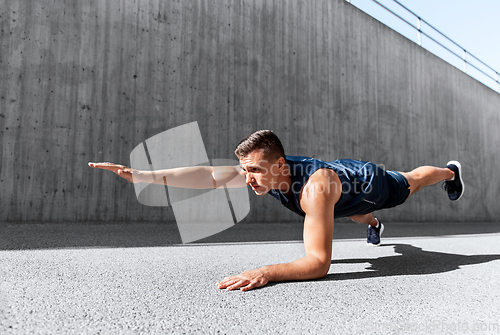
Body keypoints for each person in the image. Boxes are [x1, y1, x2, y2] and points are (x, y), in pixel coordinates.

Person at [88, 129, 464, 292]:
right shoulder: (267, 173)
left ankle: (450, 171)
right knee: (350, 216)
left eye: (253, 170)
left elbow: (318, 263)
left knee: (412, 179)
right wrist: (143, 176)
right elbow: (207, 175)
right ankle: (374, 225)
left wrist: (266, 272)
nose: (247, 179)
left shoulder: (315, 189)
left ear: (280, 165)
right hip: (342, 192)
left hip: (368, 184)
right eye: (245, 170)